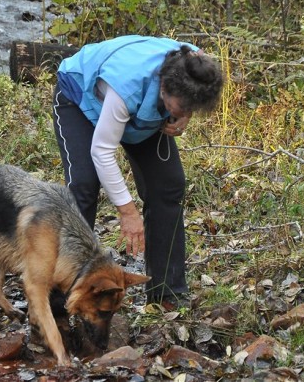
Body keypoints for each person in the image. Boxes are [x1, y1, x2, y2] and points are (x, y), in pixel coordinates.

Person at [51, 35, 224, 309]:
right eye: (183, 106)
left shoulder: (194, 67)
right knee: (83, 188)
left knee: (168, 186)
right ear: (165, 86)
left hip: (138, 112)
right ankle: (59, 299)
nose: (187, 111)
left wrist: (184, 114)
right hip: (80, 98)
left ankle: (167, 294)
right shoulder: (127, 87)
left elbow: (193, 85)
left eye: (193, 107)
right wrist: (127, 212)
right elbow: (102, 151)